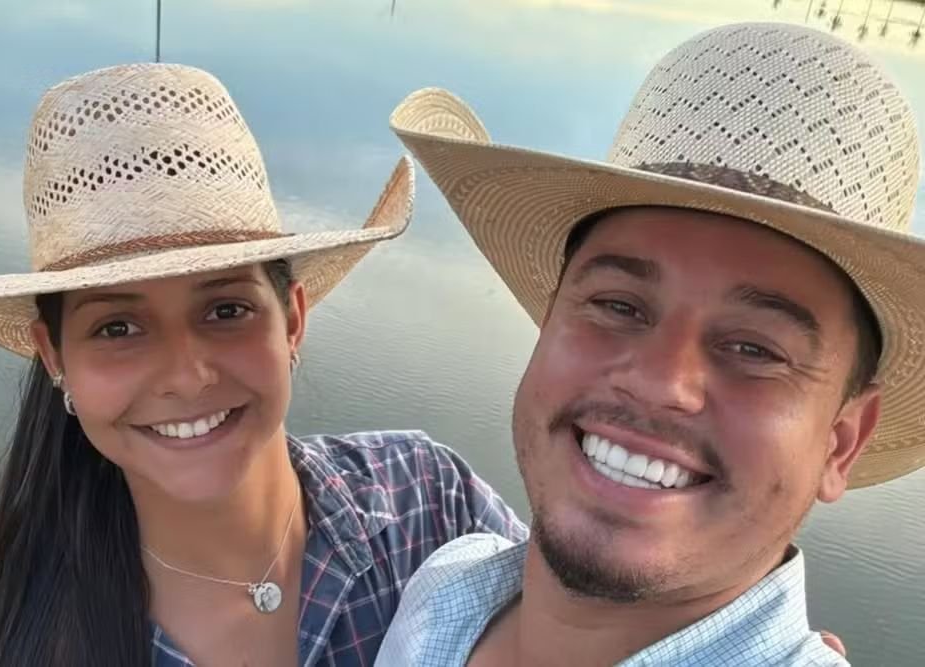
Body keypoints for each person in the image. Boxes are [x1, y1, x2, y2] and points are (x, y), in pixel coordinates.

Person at [0, 63, 527, 667]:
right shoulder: (12, 654)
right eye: (117, 328)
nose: (187, 376)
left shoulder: (426, 499)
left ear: (292, 319)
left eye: (226, 310)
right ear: (54, 355)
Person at [379, 21, 924, 666]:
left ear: (841, 442)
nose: (659, 381)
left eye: (754, 350)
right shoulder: (443, 589)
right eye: (618, 306)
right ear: (548, 323)